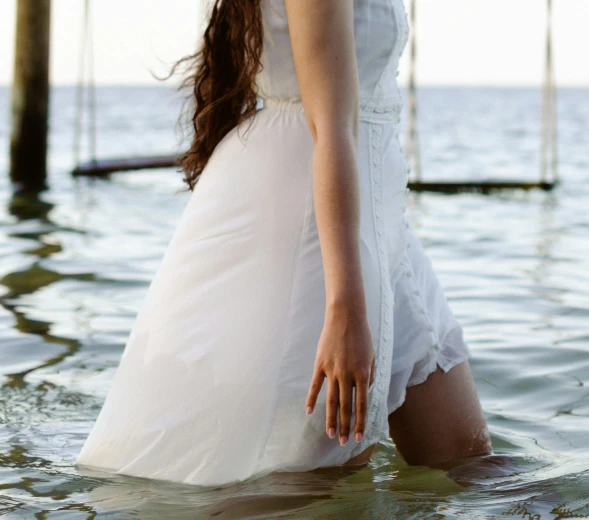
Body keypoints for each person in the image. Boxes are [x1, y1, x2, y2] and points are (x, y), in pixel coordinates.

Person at [75, 0, 492, 487]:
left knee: (471, 466)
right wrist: (344, 309)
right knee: (311, 483)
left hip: (376, 219)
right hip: (312, 223)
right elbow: (330, 126)